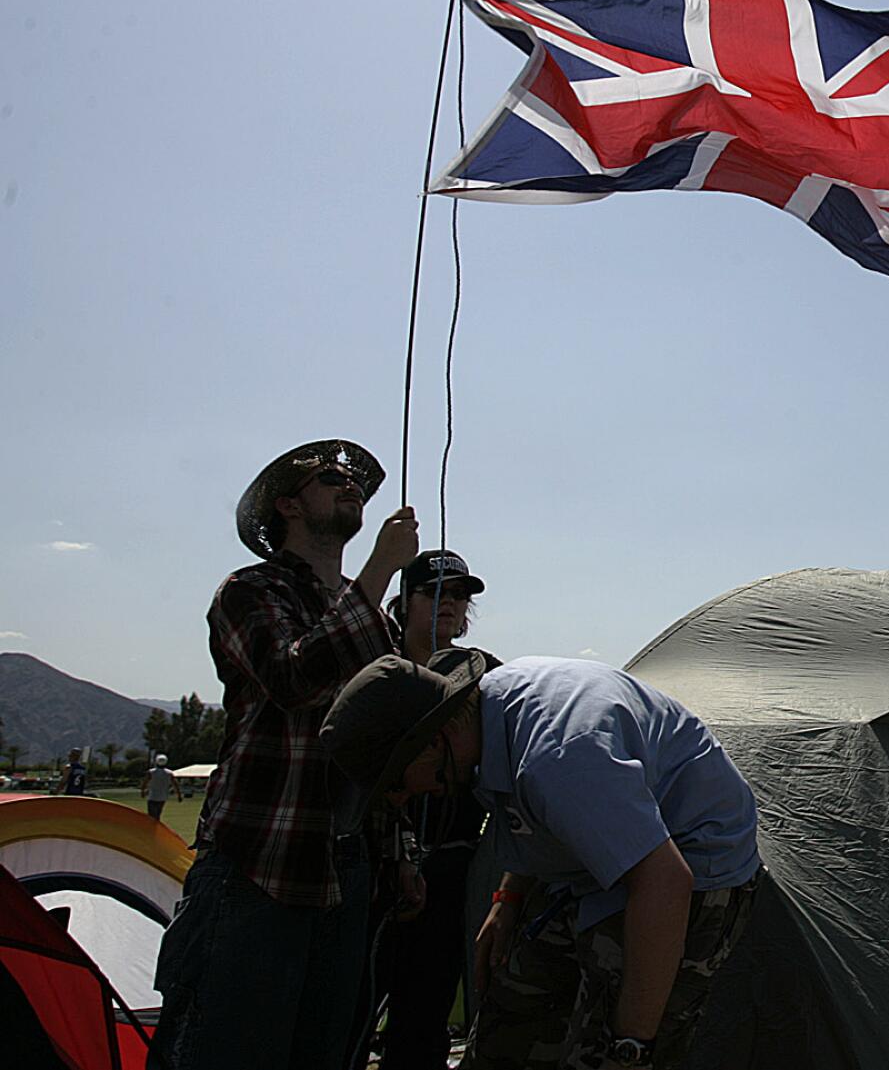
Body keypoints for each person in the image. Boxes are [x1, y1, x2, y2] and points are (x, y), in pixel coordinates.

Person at [322, 652, 761, 1069]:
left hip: (686, 867)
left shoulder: (559, 759)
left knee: (610, 1046)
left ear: (433, 741)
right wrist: (508, 898)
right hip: (591, 863)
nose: (401, 798)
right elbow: (540, 816)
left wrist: (631, 1048)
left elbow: (665, 881)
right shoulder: (488, 718)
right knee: (511, 1026)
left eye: (394, 783)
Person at [150, 439, 419, 1070]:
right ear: (288, 506)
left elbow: (377, 748)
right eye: (331, 478)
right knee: (225, 1050)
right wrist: (380, 570)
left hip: (347, 869)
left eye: (355, 481)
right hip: (258, 864)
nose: (350, 486)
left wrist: (399, 850)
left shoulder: (369, 617)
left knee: (320, 1054)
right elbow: (292, 678)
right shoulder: (250, 590)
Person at [375, 552, 492, 1070]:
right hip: (374, 865)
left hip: (450, 869)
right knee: (352, 1003)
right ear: (404, 602)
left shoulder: (485, 672)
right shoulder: (377, 670)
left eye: (459, 594)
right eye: (435, 591)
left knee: (424, 1016)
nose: (449, 603)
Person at [144, 754, 181, 821]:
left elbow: (145, 782)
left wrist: (143, 791)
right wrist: (179, 795)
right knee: (158, 814)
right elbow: (175, 784)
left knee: (151, 815)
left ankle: (151, 829)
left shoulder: (151, 772)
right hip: (162, 797)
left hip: (152, 796)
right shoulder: (169, 773)